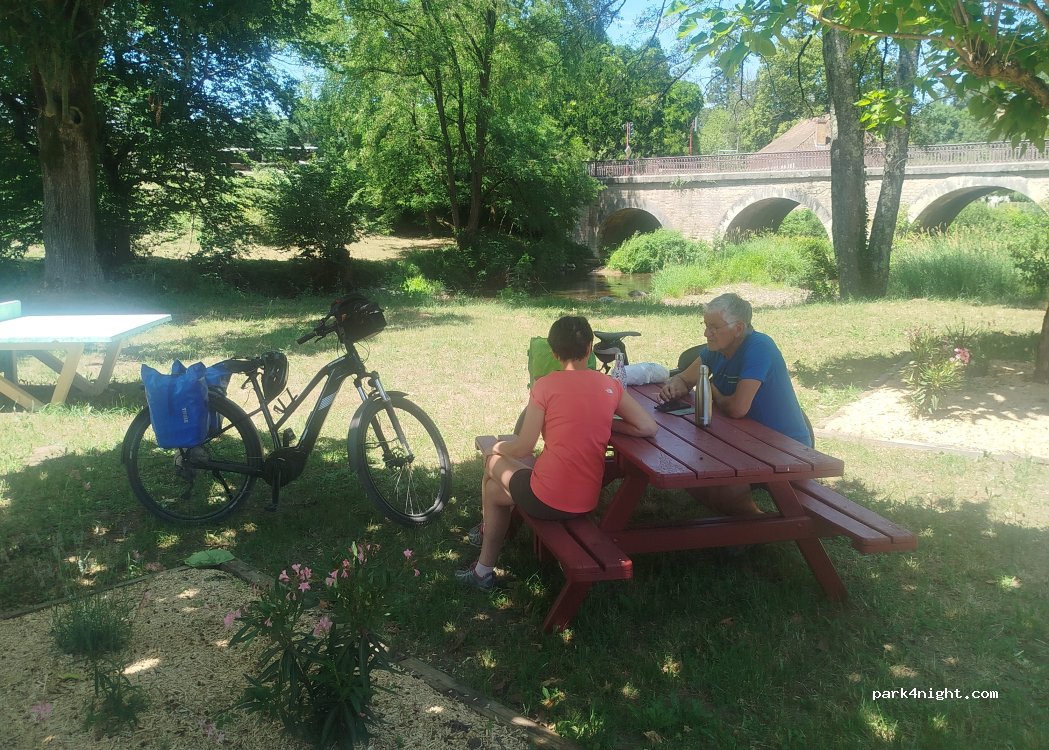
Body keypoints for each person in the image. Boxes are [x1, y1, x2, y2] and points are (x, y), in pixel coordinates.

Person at [457, 315, 659, 591]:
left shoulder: (545, 386)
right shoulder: (610, 385)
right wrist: (605, 423)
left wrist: (494, 447)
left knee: (491, 464)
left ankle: (483, 558)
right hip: (587, 498)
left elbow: (524, 446)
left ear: (553, 352)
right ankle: (483, 563)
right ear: (590, 348)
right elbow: (648, 426)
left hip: (547, 497)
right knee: (494, 490)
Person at [657, 292, 810, 515]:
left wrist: (716, 394)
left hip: (786, 447)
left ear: (738, 328)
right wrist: (674, 387)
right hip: (745, 439)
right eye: (706, 325)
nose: (706, 333)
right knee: (690, 467)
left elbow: (738, 408)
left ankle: (758, 524)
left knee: (718, 479)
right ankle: (742, 521)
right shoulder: (716, 350)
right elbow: (685, 379)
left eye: (714, 327)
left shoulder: (760, 346)